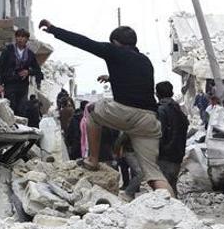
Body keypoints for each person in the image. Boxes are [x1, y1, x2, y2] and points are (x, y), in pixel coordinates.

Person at [39, 20, 173, 195]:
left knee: (92, 111)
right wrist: (111, 78)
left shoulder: (113, 51)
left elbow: (84, 42)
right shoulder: (145, 61)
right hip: (149, 120)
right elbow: (135, 81)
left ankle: (93, 159)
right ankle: (176, 208)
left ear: (116, 43)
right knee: (153, 173)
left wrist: (54, 30)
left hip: (125, 111)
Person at [0, 28, 44, 116]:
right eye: (18, 36)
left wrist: (28, 72)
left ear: (26, 39)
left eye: (23, 37)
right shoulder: (8, 50)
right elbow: (0, 67)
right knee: (10, 109)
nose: (20, 39)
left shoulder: (30, 54)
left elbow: (37, 70)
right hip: (9, 84)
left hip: (23, 86)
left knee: (21, 110)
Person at [156, 81, 189, 196]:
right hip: (177, 153)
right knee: (171, 186)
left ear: (157, 94)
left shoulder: (161, 110)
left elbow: (159, 133)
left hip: (165, 155)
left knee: (164, 191)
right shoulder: (178, 109)